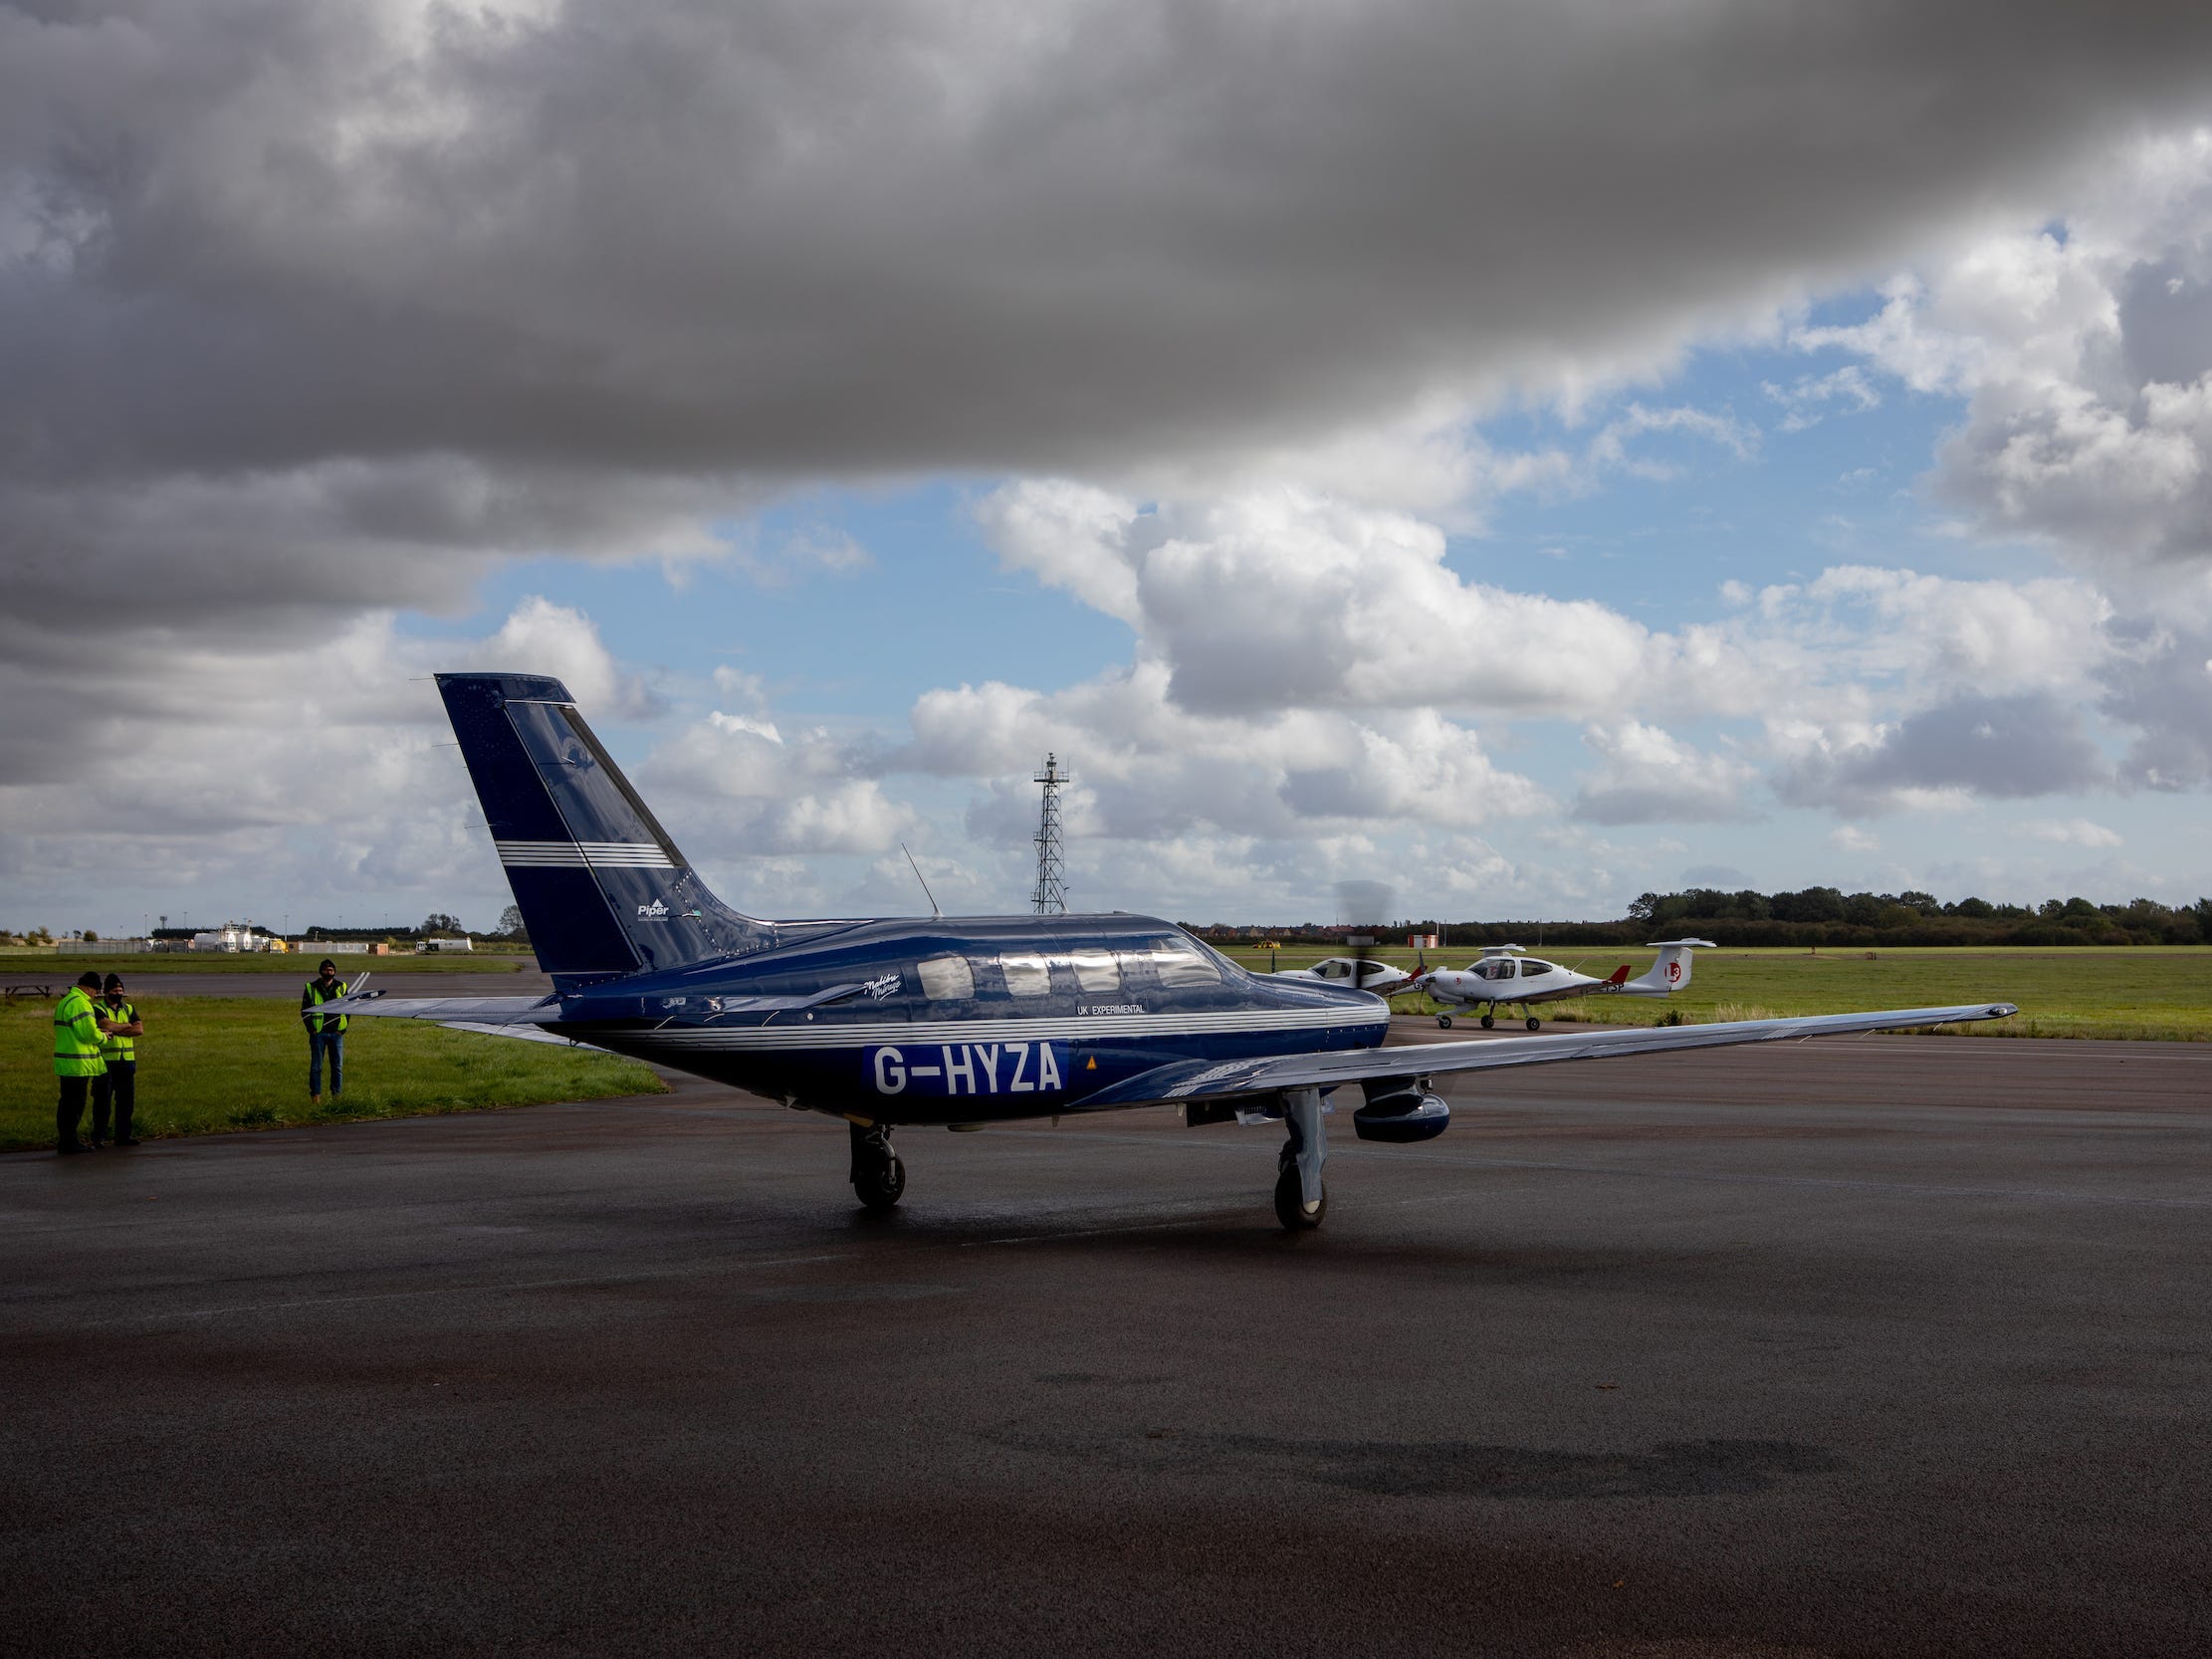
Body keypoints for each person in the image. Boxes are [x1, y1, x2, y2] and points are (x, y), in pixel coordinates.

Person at [54, 971, 120, 1155]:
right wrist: (103, 1037)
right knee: (74, 1105)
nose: (94, 995)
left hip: (67, 1061)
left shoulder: (67, 1001)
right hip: (77, 1064)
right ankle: (69, 1142)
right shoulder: (81, 1004)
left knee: (67, 1103)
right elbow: (88, 1034)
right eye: (95, 991)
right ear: (89, 988)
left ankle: (66, 1140)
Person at [90, 973, 145, 1147]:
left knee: (126, 1102)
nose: (119, 993)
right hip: (106, 1062)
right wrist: (127, 1026)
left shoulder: (128, 1008)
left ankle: (123, 1136)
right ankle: (98, 1137)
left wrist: (118, 1029)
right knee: (102, 1103)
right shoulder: (98, 1009)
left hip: (126, 1061)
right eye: (115, 990)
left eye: (121, 990)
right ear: (106, 992)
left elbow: (139, 1029)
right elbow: (106, 1025)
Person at [302, 959, 348, 1104]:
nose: (329, 972)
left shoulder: (341, 987)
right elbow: (304, 1010)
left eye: (331, 970)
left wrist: (343, 1029)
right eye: (326, 970)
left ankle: (337, 1096)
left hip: (336, 1033)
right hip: (318, 1033)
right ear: (321, 971)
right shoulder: (311, 987)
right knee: (316, 1067)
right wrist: (312, 1030)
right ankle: (315, 1096)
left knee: (337, 1067)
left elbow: (349, 1008)